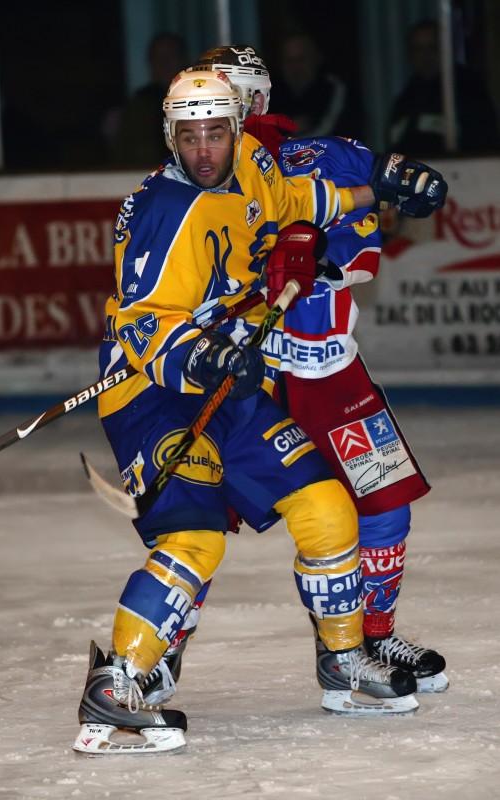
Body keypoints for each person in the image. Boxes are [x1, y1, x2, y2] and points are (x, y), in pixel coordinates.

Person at [73, 68, 433, 755]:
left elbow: (300, 198)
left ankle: (342, 660)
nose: (204, 150)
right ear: (170, 137)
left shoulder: (253, 168)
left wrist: (377, 190)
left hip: (225, 382)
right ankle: (115, 688)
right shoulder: (161, 212)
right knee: (194, 538)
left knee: (326, 507)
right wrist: (201, 354)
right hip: (153, 392)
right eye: (189, 136)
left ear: (237, 129)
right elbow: (142, 322)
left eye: (216, 133)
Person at [166, 45, 448, 695]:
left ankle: (366, 639)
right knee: (195, 519)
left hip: (329, 369)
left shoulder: (321, 157)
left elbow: (368, 228)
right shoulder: (184, 184)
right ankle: (156, 653)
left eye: (226, 96)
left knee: (383, 507)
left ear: (255, 99)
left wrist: (389, 190)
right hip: (245, 375)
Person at [388, 18, 498, 155]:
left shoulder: (467, 91)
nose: (425, 56)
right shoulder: (405, 102)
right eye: (418, 49)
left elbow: (484, 145)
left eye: (432, 47)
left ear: (446, 50)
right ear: (409, 54)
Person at [109, 32, 188, 168]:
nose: (164, 63)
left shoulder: (199, 99)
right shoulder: (139, 104)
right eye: (158, 58)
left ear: (183, 60)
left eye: (170, 56)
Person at [268, 32, 362, 139]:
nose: (295, 67)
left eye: (301, 59)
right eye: (289, 61)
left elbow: (335, 133)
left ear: (316, 59)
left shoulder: (334, 89)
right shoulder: (272, 94)